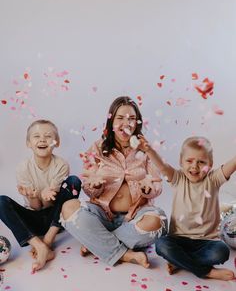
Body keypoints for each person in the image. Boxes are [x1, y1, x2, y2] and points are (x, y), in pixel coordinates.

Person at [60, 96, 167, 268]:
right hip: (102, 214)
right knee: (68, 207)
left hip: (135, 217)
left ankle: (97, 242)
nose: (127, 123)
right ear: (111, 121)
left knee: (157, 221)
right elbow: (88, 184)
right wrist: (94, 186)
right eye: (120, 118)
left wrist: (148, 189)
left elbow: (157, 184)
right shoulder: (97, 148)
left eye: (132, 118)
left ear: (137, 122)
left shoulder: (146, 150)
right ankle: (125, 254)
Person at [138, 135, 235, 280]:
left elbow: (230, 166)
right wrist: (149, 150)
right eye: (189, 161)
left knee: (222, 252)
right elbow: (162, 166)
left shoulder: (213, 180)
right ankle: (205, 271)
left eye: (201, 162)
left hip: (206, 242)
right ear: (181, 162)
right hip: (178, 239)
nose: (195, 166)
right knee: (161, 245)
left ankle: (181, 262)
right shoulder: (178, 178)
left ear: (211, 163)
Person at [0, 119, 81, 271]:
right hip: (33, 219)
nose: (42, 139)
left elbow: (53, 202)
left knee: (74, 182)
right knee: (1, 201)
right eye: (36, 136)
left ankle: (48, 240)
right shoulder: (23, 168)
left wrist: (48, 194)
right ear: (28, 143)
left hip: (55, 218)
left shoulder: (61, 165)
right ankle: (39, 245)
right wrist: (32, 196)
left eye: (48, 136)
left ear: (56, 142)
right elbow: (36, 207)